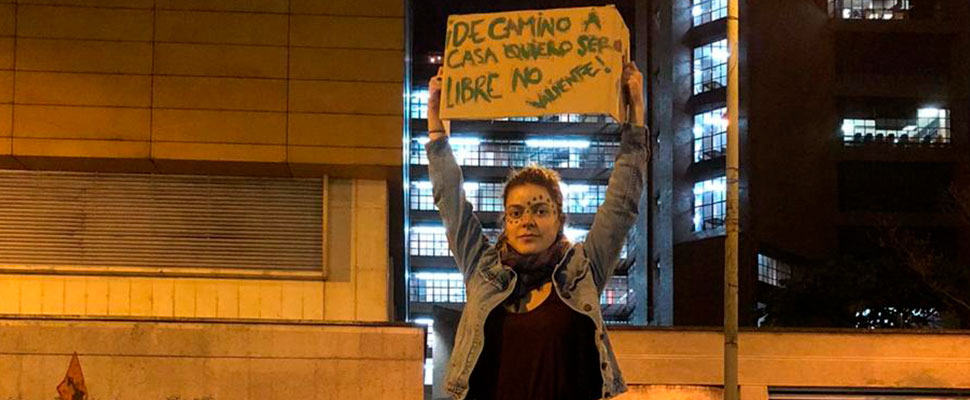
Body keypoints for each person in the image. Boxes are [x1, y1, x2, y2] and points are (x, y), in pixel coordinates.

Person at [425, 62, 648, 400]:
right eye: (516, 213)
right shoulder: (482, 271)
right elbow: (452, 205)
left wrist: (636, 119)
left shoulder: (583, 270)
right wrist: (436, 129)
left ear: (559, 219)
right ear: (506, 222)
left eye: (540, 210)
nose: (527, 221)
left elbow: (621, 206)